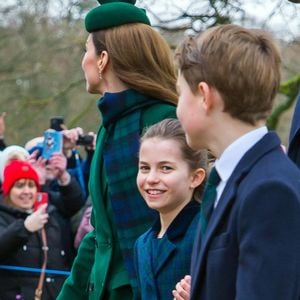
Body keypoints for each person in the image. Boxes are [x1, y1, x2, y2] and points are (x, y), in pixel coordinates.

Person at [57, 0, 178, 299]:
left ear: (102, 59)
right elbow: (101, 235)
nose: (82, 60)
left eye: (86, 50)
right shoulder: (109, 127)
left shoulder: (166, 120)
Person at [173, 24, 300, 300]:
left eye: (181, 93)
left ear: (204, 96)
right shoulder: (235, 180)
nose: (177, 107)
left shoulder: (270, 191)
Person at [134, 118, 207, 300]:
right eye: (144, 168)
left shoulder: (208, 231)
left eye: (165, 168)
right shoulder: (142, 244)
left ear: (195, 177)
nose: (151, 178)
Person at [0, 160, 75, 299]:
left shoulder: (50, 216)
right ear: (8, 190)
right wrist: (25, 228)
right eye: (19, 186)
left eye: (31, 185)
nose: (27, 191)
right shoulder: (2, 217)